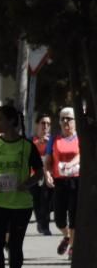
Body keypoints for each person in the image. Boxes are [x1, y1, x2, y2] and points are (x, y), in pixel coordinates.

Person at [0, 105, 44, 268]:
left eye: (0, 119)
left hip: (21, 204)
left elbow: (39, 172)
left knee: (15, 245)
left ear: (12, 121)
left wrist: (26, 183)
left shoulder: (27, 146)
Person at [45, 107, 80, 257]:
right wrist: (47, 174)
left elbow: (82, 155)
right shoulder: (54, 139)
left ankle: (72, 246)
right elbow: (47, 161)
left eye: (69, 118)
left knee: (74, 216)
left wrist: (71, 164)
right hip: (60, 181)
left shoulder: (80, 138)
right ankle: (66, 236)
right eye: (62, 118)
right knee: (59, 218)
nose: (65, 121)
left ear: (75, 121)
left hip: (77, 181)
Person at [30, 114, 54, 235]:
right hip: (34, 175)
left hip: (48, 175)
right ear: (37, 125)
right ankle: (41, 222)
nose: (45, 126)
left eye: (48, 124)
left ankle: (45, 226)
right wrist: (38, 143)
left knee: (46, 201)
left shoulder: (53, 141)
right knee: (37, 201)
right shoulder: (31, 140)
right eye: (43, 123)